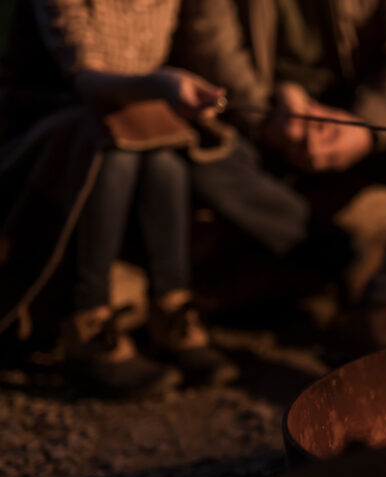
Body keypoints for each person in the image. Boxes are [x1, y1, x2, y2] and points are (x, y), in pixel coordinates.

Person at [174, 0, 386, 362]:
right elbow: (209, 44)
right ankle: (343, 260)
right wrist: (268, 114)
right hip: (260, 122)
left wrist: (367, 125)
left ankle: (385, 308)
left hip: (357, 114)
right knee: (198, 160)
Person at [0, 0, 238, 396]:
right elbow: (88, 78)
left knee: (165, 155)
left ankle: (171, 310)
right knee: (114, 149)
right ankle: (88, 322)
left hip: (132, 122)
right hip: (49, 127)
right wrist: (160, 84)